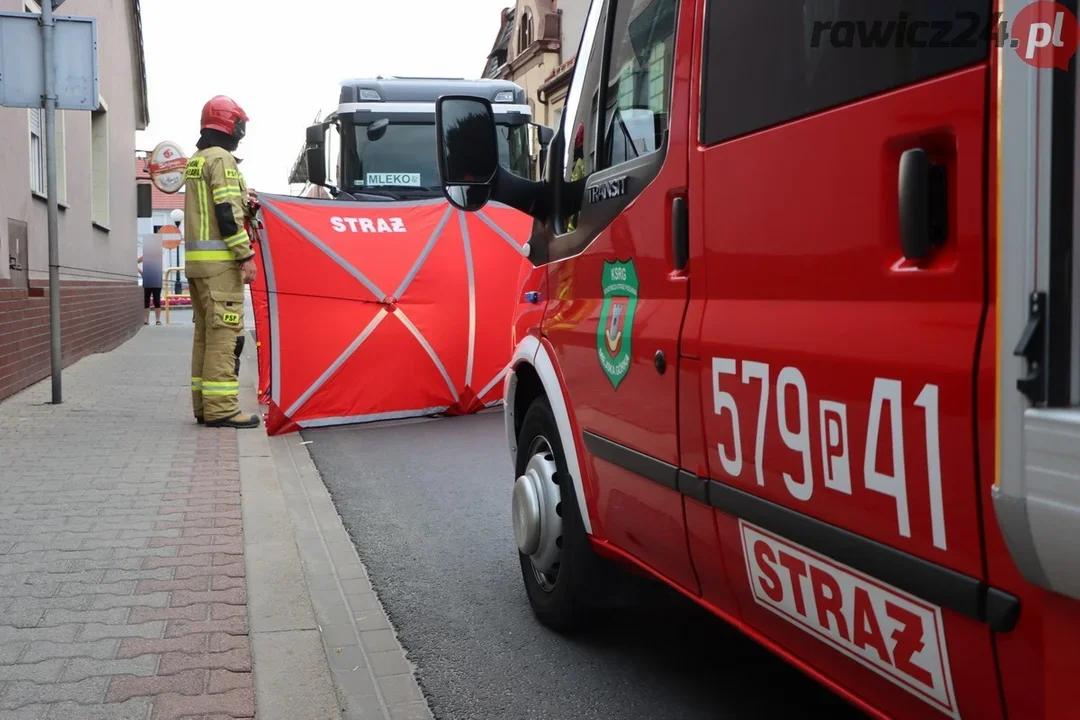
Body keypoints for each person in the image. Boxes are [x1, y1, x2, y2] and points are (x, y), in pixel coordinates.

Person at [182, 95, 261, 429]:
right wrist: (245, 256)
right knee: (226, 336)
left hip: (197, 266)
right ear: (233, 126)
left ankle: (203, 406)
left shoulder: (197, 160)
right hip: (220, 266)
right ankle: (223, 409)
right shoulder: (223, 160)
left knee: (205, 334)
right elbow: (226, 212)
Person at [136, 254, 163, 325]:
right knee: (146, 300)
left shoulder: (158, 256)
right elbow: (134, 262)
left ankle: (158, 320)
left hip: (157, 280)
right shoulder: (145, 256)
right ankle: (146, 320)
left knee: (157, 300)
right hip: (147, 280)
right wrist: (141, 273)